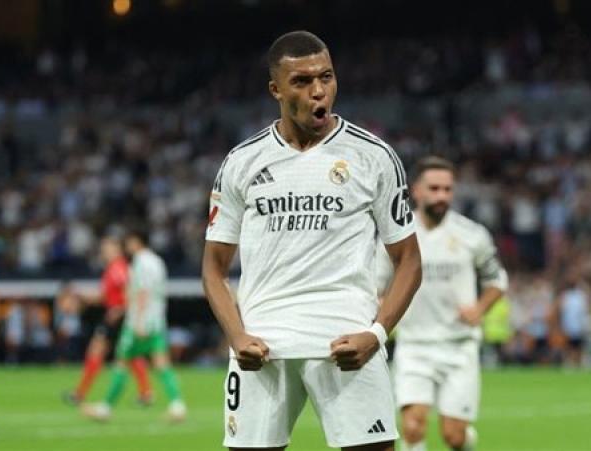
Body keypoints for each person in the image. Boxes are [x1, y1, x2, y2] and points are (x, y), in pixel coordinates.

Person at [202, 30, 422, 451]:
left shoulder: (374, 156)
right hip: (263, 347)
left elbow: (409, 259)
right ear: (276, 89)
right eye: (302, 81)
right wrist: (236, 335)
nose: (318, 91)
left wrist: (376, 334)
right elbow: (213, 267)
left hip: (348, 343)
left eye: (326, 77)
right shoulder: (241, 162)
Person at [376, 156, 508, 451]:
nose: (442, 196)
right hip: (414, 345)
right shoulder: (397, 235)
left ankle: (465, 439)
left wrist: (480, 308)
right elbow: (375, 285)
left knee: (454, 437)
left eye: (447, 189)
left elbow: (497, 279)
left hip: (458, 346)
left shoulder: (471, 234)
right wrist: (380, 305)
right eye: (434, 189)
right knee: (412, 426)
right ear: (416, 191)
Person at [83, 230, 186, 422]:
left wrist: (138, 320)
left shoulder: (141, 262)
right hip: (156, 320)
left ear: (136, 241)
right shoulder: (157, 261)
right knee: (161, 363)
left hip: (139, 321)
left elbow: (142, 292)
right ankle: (177, 405)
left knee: (121, 361)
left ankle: (105, 408)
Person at [63, 237, 152, 406]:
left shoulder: (117, 268)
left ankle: (80, 394)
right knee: (131, 354)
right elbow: (104, 296)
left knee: (97, 350)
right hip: (118, 315)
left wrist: (120, 309)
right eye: (103, 249)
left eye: (108, 249)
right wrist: (82, 296)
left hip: (117, 317)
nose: (105, 252)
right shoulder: (113, 268)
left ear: (117, 249)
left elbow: (128, 289)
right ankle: (146, 393)